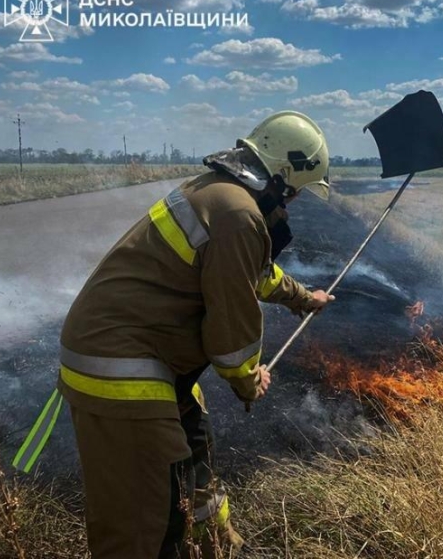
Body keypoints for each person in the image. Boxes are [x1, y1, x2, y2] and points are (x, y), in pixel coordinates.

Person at [57, 111, 335, 558]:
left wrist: (306, 298)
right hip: (121, 361)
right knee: (147, 517)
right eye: (296, 194)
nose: (291, 206)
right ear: (281, 178)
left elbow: (254, 275)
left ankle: (213, 543)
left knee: (195, 443)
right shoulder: (239, 215)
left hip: (138, 352)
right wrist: (248, 379)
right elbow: (232, 339)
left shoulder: (218, 193)